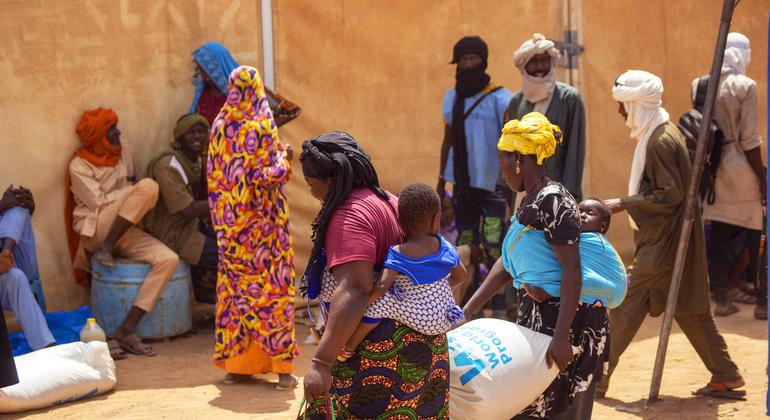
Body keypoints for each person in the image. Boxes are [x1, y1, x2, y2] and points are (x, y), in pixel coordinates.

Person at [601, 70, 743, 399]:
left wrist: (622, 203)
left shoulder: (661, 140)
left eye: (624, 106)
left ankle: (597, 373)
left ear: (637, 105)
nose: (621, 113)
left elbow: (670, 195)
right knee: (689, 308)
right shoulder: (660, 132)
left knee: (626, 303)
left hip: (664, 242)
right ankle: (726, 374)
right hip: (669, 237)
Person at [463, 112, 607, 419]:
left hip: (569, 322)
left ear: (518, 158)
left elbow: (572, 270)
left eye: (502, 158)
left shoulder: (553, 201)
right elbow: (507, 263)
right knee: (532, 407)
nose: (500, 170)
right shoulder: (529, 199)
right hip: (538, 317)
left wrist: (561, 337)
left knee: (561, 409)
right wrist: (468, 310)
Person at [300, 132, 449, 418]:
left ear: (330, 181)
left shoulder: (350, 215)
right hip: (425, 352)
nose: (311, 192)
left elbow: (356, 289)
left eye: (310, 184)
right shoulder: (389, 201)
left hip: (380, 357)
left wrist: (321, 362)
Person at [207, 66, 298, 389]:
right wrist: (285, 159)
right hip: (264, 232)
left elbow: (218, 179)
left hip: (231, 230)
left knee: (235, 294)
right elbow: (266, 176)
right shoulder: (260, 126)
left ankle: (238, 367)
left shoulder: (219, 125)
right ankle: (283, 370)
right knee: (272, 292)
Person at [66, 108, 179, 357]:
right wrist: (130, 193)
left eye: (116, 127)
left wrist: (131, 195)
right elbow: (98, 203)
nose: (118, 133)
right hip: (98, 229)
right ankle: (106, 248)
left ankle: (126, 328)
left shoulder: (124, 150)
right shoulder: (79, 166)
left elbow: (134, 191)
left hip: (125, 228)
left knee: (168, 259)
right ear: (97, 136)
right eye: (111, 130)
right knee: (147, 187)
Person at [337, 183, 467, 361]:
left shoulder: (399, 252)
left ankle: (349, 347)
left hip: (422, 319)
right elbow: (462, 276)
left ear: (399, 220)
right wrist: (435, 287)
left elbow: (382, 286)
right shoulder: (445, 247)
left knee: (383, 301)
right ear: (436, 219)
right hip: (445, 316)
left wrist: (362, 303)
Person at [437, 35, 514, 316]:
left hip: (493, 186)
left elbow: (508, 147)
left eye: (474, 59)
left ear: (484, 61)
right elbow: (448, 142)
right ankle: (469, 306)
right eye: (464, 60)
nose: (469, 65)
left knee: (494, 245)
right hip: (462, 188)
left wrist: (511, 192)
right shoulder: (452, 98)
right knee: (466, 247)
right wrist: (440, 184)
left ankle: (501, 303)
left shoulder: (501, 98)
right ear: (457, 63)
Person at [693, 33, 766, 317]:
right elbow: (749, 139)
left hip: (711, 171)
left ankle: (721, 298)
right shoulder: (745, 86)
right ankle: (763, 301)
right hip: (741, 169)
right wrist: (762, 178)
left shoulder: (699, 84)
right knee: (756, 232)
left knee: (720, 233)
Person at [144, 114, 217, 304]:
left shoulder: (195, 162)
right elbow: (188, 209)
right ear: (179, 138)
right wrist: (225, 198)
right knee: (228, 254)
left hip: (191, 225)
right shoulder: (168, 166)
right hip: (173, 233)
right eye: (191, 132)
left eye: (201, 132)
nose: (197, 137)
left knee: (234, 242)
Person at [505, 33, 586, 201]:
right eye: (534, 62)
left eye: (544, 61)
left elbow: (574, 152)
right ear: (524, 65)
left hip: (558, 193)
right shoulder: (516, 102)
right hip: (523, 193)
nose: (540, 66)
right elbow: (509, 150)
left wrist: (568, 196)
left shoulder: (569, 98)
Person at [190, 41, 301, 127]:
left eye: (202, 68)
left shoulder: (246, 87)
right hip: (214, 153)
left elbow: (290, 111)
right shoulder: (204, 91)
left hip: (243, 152)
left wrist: (258, 131)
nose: (200, 73)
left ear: (215, 67)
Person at [0, 186, 55, 351]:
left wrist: (15, 205)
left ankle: (5, 255)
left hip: (9, 270)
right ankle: (44, 344)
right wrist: (2, 205)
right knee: (15, 277)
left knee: (18, 208)